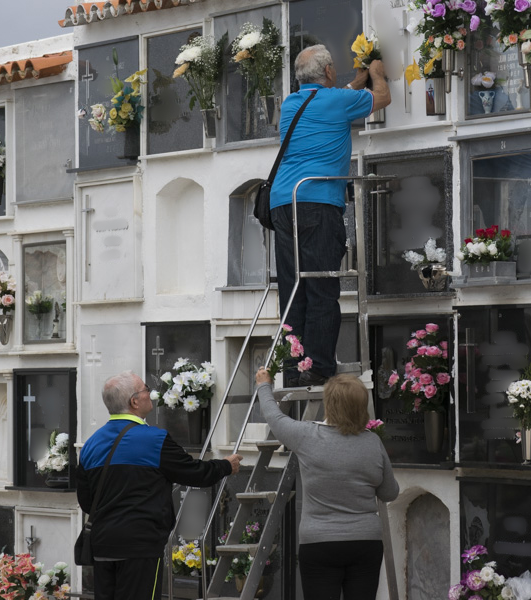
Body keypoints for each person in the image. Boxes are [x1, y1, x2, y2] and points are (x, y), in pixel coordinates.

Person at [269, 45, 391, 386]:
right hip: (317, 202)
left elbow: (336, 98)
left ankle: (294, 368)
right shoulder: (338, 102)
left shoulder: (292, 103)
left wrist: (355, 81)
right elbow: (381, 99)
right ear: (328, 72)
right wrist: (377, 74)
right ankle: (320, 366)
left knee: (293, 290)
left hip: (283, 202)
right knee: (322, 287)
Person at [77, 371, 243, 600]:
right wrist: (226, 465)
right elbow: (195, 473)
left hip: (103, 545)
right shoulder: (154, 440)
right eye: (145, 389)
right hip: (140, 546)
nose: (151, 394)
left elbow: (86, 501)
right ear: (134, 401)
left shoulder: (90, 445)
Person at [254, 367, 399, 600]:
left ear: (329, 404)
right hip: (365, 543)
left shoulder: (307, 436)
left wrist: (264, 385)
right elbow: (390, 493)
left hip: (319, 542)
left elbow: (275, 417)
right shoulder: (373, 442)